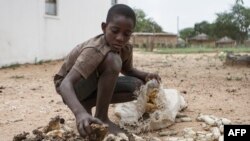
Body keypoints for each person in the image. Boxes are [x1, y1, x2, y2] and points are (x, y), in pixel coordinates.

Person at [53, 4, 161, 137]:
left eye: (126, 34)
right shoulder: (94, 49)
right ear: (104, 27)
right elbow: (65, 84)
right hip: (72, 88)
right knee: (112, 59)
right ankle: (101, 117)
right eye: (115, 31)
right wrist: (79, 113)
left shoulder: (126, 48)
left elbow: (128, 70)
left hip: (91, 83)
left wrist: (146, 75)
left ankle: (87, 103)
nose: (120, 38)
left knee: (138, 87)